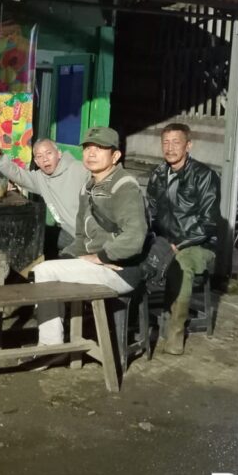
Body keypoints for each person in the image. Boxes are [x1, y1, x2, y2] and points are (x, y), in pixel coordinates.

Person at [31, 127, 148, 346]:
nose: (91, 153)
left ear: (115, 155)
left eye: (100, 148)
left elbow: (135, 237)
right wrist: (68, 258)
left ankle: (50, 346)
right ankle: (55, 343)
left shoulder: (124, 186)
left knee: (44, 271)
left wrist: (101, 257)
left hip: (121, 271)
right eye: (87, 148)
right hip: (97, 265)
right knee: (47, 268)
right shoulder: (88, 188)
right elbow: (81, 239)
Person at [145, 122, 221, 355]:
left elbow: (208, 223)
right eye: (166, 143)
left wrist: (179, 244)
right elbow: (151, 213)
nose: (170, 148)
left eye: (176, 143)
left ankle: (175, 335)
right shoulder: (158, 174)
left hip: (198, 243)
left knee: (181, 265)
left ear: (188, 145)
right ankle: (138, 326)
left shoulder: (205, 176)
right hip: (165, 240)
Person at [0, 138, 88, 256]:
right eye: (40, 156)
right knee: (31, 234)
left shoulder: (79, 169)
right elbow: (18, 174)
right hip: (69, 233)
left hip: (89, 238)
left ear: (59, 154)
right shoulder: (40, 178)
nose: (45, 159)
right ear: (36, 162)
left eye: (49, 153)